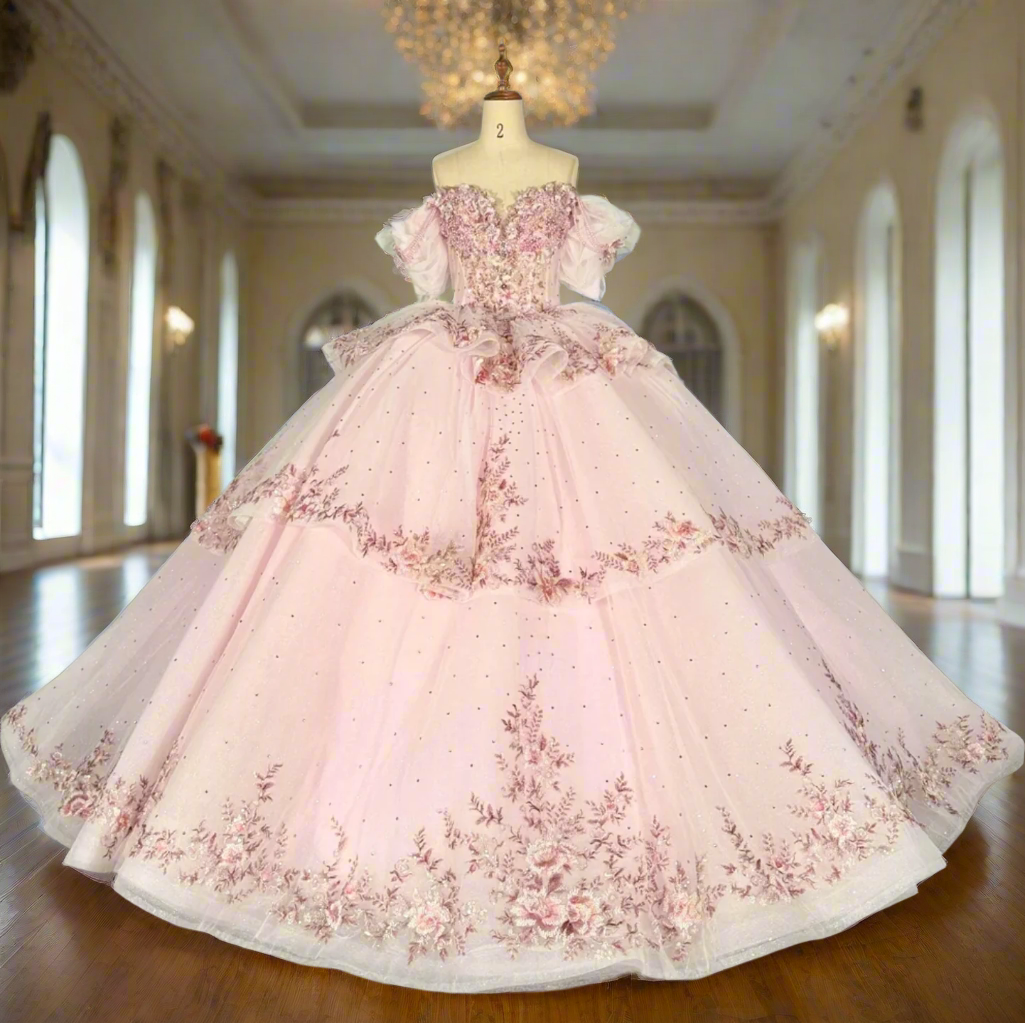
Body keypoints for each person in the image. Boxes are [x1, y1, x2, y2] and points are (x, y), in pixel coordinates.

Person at [3, 62, 1022, 993]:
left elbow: (576, 276)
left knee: (618, 565)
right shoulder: (448, 177)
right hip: (433, 385)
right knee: (380, 563)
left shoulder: (562, 178)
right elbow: (438, 279)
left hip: (561, 375)